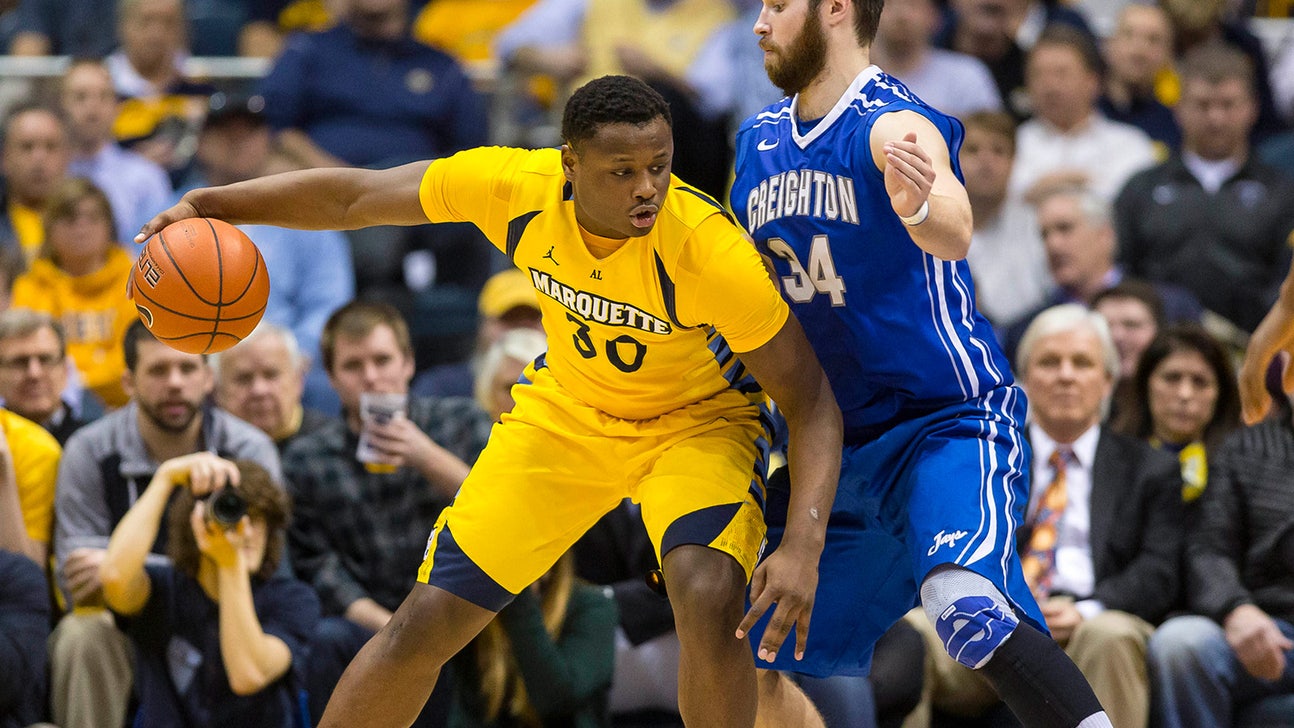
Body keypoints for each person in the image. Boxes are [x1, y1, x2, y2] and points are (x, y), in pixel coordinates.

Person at [138, 73, 843, 728]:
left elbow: (811, 400)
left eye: (659, 166)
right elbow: (355, 198)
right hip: (569, 415)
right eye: (622, 171)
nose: (647, 189)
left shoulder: (708, 252)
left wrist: (803, 547)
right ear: (569, 165)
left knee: (708, 593)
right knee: (424, 622)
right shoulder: (514, 187)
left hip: (695, 426)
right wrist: (216, 203)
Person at [729, 1, 1111, 726]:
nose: (760, 22)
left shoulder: (891, 123)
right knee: (746, 646)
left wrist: (918, 208)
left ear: (835, 8)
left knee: (963, 608)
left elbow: (954, 227)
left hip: (941, 423)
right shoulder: (755, 143)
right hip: (831, 448)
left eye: (778, 4)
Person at [907, 304, 1184, 728]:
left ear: (1108, 381)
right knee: (915, 632)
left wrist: (1088, 610)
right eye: (1050, 362)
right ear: (1024, 378)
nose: (1065, 375)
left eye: (1082, 363)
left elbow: (1159, 569)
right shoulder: (984, 458)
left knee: (1110, 636)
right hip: (992, 619)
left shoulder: (1149, 467)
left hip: (1091, 623)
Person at [49, 319, 280, 728]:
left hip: (223, 615)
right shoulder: (89, 450)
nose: (175, 383)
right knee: (83, 634)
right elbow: (77, 583)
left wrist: (128, 566)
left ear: (208, 378)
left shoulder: (247, 447)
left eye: (187, 368)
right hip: (125, 623)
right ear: (128, 381)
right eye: (158, 370)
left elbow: (264, 566)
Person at [279, 301, 494, 726]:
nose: (372, 377)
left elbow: (502, 510)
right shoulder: (308, 459)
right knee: (327, 639)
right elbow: (319, 567)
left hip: (462, 609)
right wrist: (395, 630)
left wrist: (426, 456)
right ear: (332, 378)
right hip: (368, 622)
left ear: (408, 363)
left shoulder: (460, 421)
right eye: (353, 366)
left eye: (382, 360)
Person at [100, 454, 319, 727]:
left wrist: (230, 564)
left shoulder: (293, 599)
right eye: (232, 514)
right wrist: (165, 478)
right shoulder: (163, 589)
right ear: (195, 524)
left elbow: (248, 675)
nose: (245, 531)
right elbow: (113, 577)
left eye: (256, 519)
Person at [180, 91, 355, 414]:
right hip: (193, 360)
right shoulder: (168, 213)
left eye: (249, 132)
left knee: (327, 387)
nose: (238, 142)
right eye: (226, 132)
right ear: (202, 143)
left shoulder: (306, 215)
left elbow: (329, 303)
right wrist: (191, 359)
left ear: (267, 140)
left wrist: (293, 353)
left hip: (287, 360)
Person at [1114, 42, 1294, 334]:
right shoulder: (1142, 188)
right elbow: (1122, 275)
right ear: (1178, 108)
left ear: (1252, 108)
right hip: (1157, 343)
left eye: (1228, 104)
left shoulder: (1282, 192)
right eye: (1203, 104)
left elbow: (1287, 285)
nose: (1216, 118)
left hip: (1254, 344)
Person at [1146, 403, 1294, 727]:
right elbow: (1208, 548)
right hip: (1270, 626)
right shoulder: (1247, 446)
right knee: (1181, 644)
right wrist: (1236, 608)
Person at [10, 177, 136, 408]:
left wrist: (76, 381)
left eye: (93, 218)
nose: (82, 227)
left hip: (125, 406)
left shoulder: (135, 282)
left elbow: (134, 361)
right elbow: (27, 364)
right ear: (49, 228)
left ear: (110, 226)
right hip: (49, 410)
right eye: (70, 218)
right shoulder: (29, 287)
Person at [1113, 323, 1240, 505]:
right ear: (1145, 384)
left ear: (1221, 393)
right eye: (1172, 378)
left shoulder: (1242, 467)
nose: (1184, 394)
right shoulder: (1111, 459)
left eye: (1200, 382)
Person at [60, 58, 174, 247]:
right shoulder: (49, 174)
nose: (93, 107)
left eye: (103, 96)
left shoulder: (146, 177)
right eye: (80, 96)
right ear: (61, 104)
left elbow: (159, 248)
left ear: (116, 105)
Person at [958, 110, 1049, 331]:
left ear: (1014, 161)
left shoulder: (1038, 225)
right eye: (973, 150)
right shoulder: (927, 224)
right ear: (952, 159)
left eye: (998, 151)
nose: (985, 161)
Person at [412, 268, 543, 400]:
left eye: (531, 320)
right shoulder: (442, 389)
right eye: (510, 319)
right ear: (483, 325)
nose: (519, 333)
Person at [210, 322, 333, 455]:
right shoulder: (205, 448)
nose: (259, 390)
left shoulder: (333, 445)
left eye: (271, 375)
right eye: (244, 378)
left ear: (298, 381)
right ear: (217, 391)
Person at [0, 309, 99, 444]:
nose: (34, 373)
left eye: (45, 359)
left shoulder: (96, 445)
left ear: (66, 370)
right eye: (19, 362)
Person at [0, 103, 70, 264]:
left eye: (50, 147)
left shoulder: (90, 221)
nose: (39, 158)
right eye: (27, 147)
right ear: (4, 158)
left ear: (67, 156)